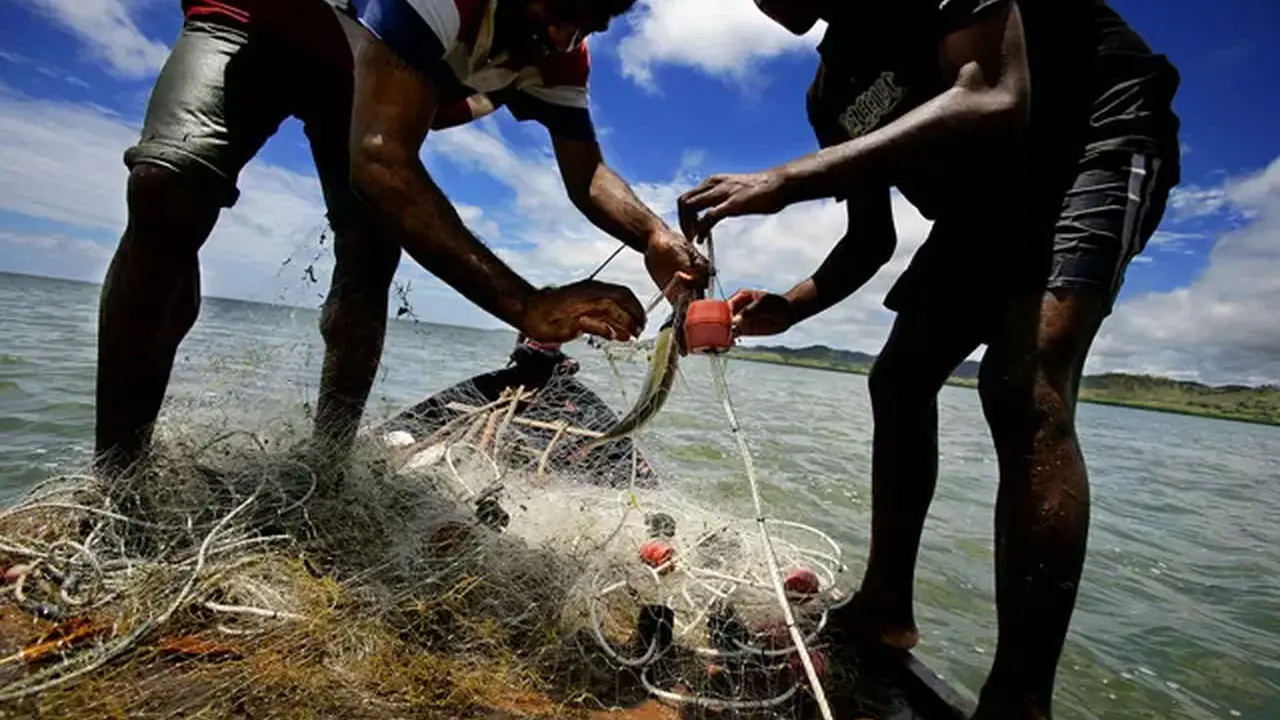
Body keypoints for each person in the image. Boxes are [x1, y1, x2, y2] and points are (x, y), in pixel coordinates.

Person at [677, 1, 1179, 718]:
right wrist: (789, 307)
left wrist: (786, 179)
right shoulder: (831, 95)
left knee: (1022, 382)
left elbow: (994, 95)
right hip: (988, 204)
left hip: (1092, 141)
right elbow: (869, 240)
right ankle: (885, 605)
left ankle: (1018, 699)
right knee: (900, 379)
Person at [95, 0, 705, 478]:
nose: (566, 40)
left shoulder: (562, 45)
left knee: (370, 254)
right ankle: (118, 476)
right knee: (168, 185)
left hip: (363, 81)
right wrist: (526, 306)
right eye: (559, 18)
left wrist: (652, 234)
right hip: (254, 23)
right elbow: (383, 162)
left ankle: (329, 467)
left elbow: (587, 174)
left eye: (584, 27)